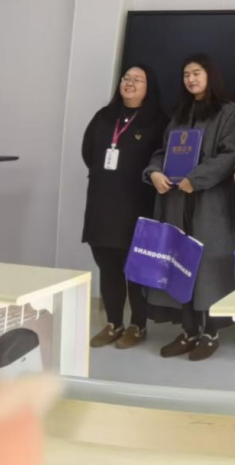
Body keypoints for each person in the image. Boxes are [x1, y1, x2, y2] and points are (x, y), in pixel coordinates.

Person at [144, 54, 235, 361]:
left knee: (209, 268)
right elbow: (163, 151)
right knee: (180, 263)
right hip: (176, 201)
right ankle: (188, 331)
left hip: (209, 203)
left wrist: (195, 179)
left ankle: (211, 333)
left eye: (197, 73)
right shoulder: (180, 114)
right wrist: (154, 172)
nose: (191, 79)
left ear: (210, 76)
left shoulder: (229, 112)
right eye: (186, 74)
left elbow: (229, 156)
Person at [82, 65, 168, 350]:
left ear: (148, 86)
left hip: (137, 204)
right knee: (108, 266)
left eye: (137, 79)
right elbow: (87, 152)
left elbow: (163, 158)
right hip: (102, 202)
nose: (130, 83)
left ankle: (138, 325)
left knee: (136, 268)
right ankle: (113, 323)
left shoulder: (158, 121)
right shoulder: (104, 116)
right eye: (126, 78)